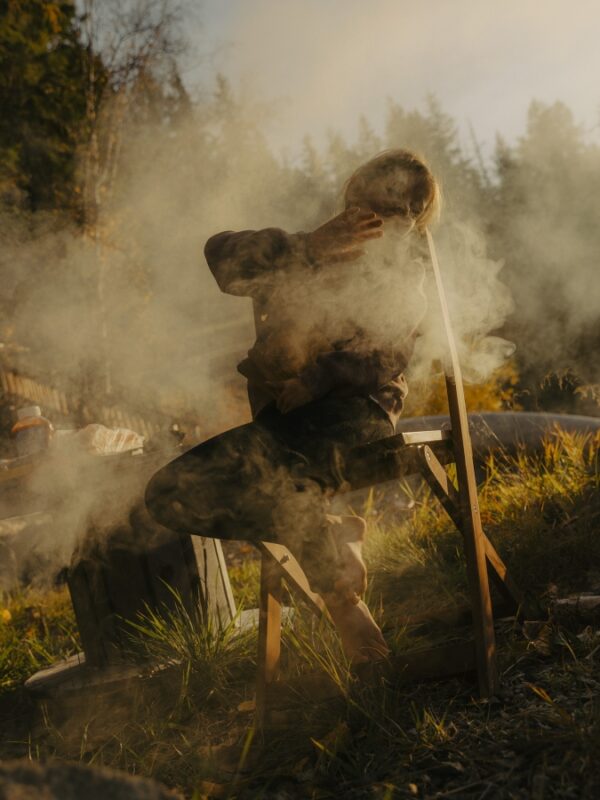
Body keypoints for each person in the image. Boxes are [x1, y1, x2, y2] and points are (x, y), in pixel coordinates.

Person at [145, 149, 440, 663]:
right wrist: (306, 247)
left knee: (287, 483)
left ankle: (343, 603)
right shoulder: (308, 254)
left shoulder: (407, 272)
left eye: (389, 208)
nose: (368, 216)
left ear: (411, 218)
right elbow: (220, 254)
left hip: (356, 421)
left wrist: (317, 377)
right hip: (284, 434)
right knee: (169, 495)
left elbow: (389, 355)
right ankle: (334, 541)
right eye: (360, 201)